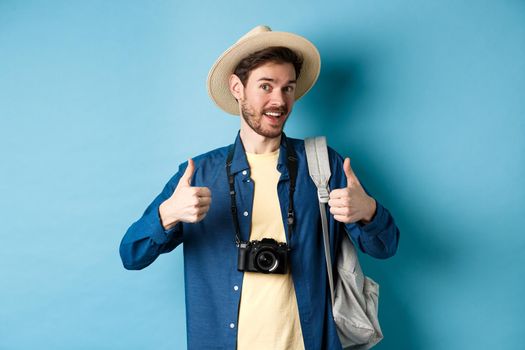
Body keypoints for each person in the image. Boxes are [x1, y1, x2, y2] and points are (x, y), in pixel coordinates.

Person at [119, 25, 399, 350]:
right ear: (237, 87)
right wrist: (167, 214)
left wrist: (369, 212)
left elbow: (386, 247)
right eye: (266, 86)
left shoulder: (323, 165)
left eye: (288, 88)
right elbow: (131, 254)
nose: (279, 100)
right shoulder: (198, 175)